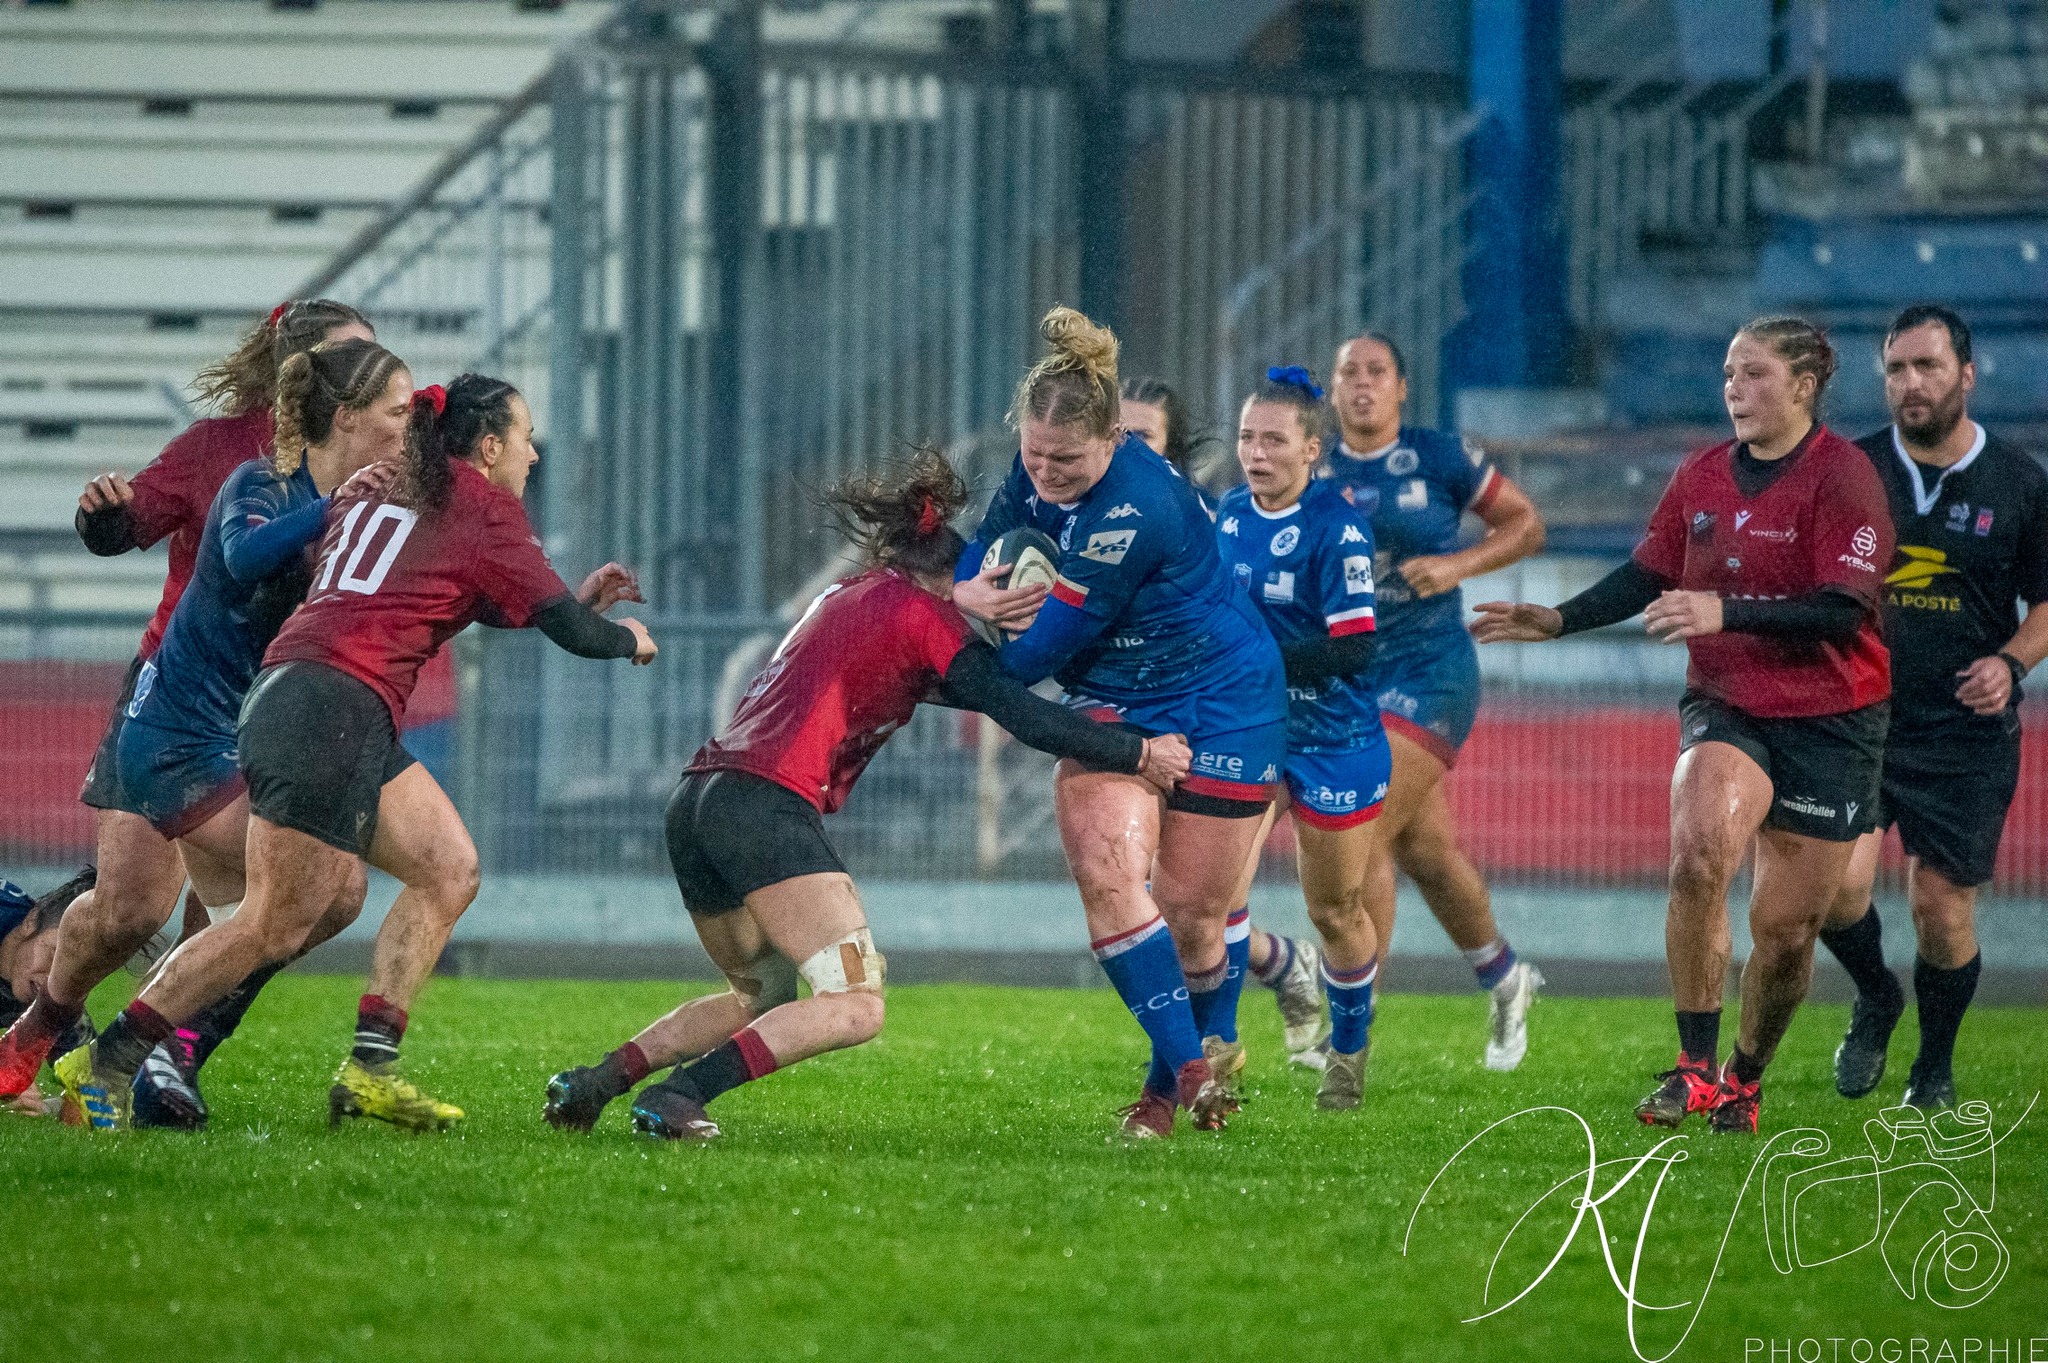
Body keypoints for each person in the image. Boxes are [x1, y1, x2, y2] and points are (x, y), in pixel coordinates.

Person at [55, 373, 657, 1133]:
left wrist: (570, 601)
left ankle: (370, 1067)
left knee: (448, 868)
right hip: (334, 706)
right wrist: (627, 639)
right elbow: (568, 629)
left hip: (311, 696)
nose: (534, 454)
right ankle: (109, 1059)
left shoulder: (386, 485)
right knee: (270, 922)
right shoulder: (484, 507)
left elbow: (433, 586)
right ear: (491, 445)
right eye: (527, 436)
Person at [544, 450, 1191, 1140]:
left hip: (699, 801)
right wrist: (1139, 750)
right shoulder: (926, 619)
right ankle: (679, 1096)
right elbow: (1018, 712)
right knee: (856, 1003)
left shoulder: (847, 593)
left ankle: (598, 1082)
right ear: (965, 576)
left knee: (758, 995)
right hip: (765, 806)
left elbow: (956, 686)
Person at [1473, 315, 1894, 1134]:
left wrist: (1722, 606)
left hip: (1833, 720)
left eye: (1756, 373)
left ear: (1805, 386)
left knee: (1784, 932)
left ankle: (1745, 1074)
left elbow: (1845, 610)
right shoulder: (1701, 475)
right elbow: (1649, 571)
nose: (1735, 387)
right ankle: (1695, 1068)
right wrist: (1559, 620)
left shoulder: (1844, 477)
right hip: (1728, 702)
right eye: (1730, 372)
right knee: (1700, 852)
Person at [0, 300, 373, 1109]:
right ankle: (54, 1035)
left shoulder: (370, 457)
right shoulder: (227, 455)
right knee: (136, 908)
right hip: (179, 691)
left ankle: (147, 1056)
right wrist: (101, 515)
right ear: (309, 375)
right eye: (359, 360)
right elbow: (128, 524)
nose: (380, 382)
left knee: (305, 893)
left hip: (277, 701)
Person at [952, 306, 1287, 1139]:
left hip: (1225, 701)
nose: (1046, 474)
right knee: (1108, 875)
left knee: (1194, 923)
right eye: (1033, 456)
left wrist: (932, 668)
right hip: (1115, 693)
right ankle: (1185, 1080)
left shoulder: (1133, 509)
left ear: (1114, 442)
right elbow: (975, 553)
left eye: (1065, 460)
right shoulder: (1032, 471)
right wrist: (963, 594)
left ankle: (1173, 1078)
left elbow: (1032, 659)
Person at [1818, 304, 2048, 1111]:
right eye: (1895, 370)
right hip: (1858, 719)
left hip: (1963, 732)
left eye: (1927, 366)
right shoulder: (1849, 470)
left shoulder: (2021, 483)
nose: (1910, 384)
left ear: (1967, 374)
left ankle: (1933, 1068)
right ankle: (1877, 997)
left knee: (1941, 909)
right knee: (1831, 892)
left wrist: (2009, 662)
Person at [1319, 332, 1547, 1070]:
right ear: (1330, 389)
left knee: (1364, 827)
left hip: (1430, 671)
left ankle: (1351, 1031)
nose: (1362, 384)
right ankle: (1508, 978)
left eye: (1376, 371)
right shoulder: (1310, 465)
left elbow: (1526, 523)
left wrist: (1457, 565)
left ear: (1402, 387)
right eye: (1348, 372)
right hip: (1347, 676)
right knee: (1428, 851)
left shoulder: (1441, 455)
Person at [1119, 375, 1328, 1060]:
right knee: (1184, 901)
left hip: (1229, 717)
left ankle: (1214, 1045)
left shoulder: (1196, 522)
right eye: (1115, 432)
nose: (1124, 447)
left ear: (1171, 451)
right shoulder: (1094, 513)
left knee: (1199, 901)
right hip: (1156, 718)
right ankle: (1277, 964)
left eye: (1141, 435)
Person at [1216, 367, 1389, 1109]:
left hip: (1334, 735)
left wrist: (1254, 658)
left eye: (1274, 440)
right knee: (1213, 891)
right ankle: (1214, 1049)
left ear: (1311, 449)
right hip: (1254, 731)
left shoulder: (1337, 528)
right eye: (1248, 437)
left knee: (1336, 911)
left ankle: (1348, 1053)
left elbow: (1355, 648)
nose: (1256, 452)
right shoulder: (1225, 513)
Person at [0, 870, 98, 1116]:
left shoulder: (58, 992)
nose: (54, 979)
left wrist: (46, 1108)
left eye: (76, 969)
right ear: (31, 921)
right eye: (55, 955)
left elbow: (95, 1096)